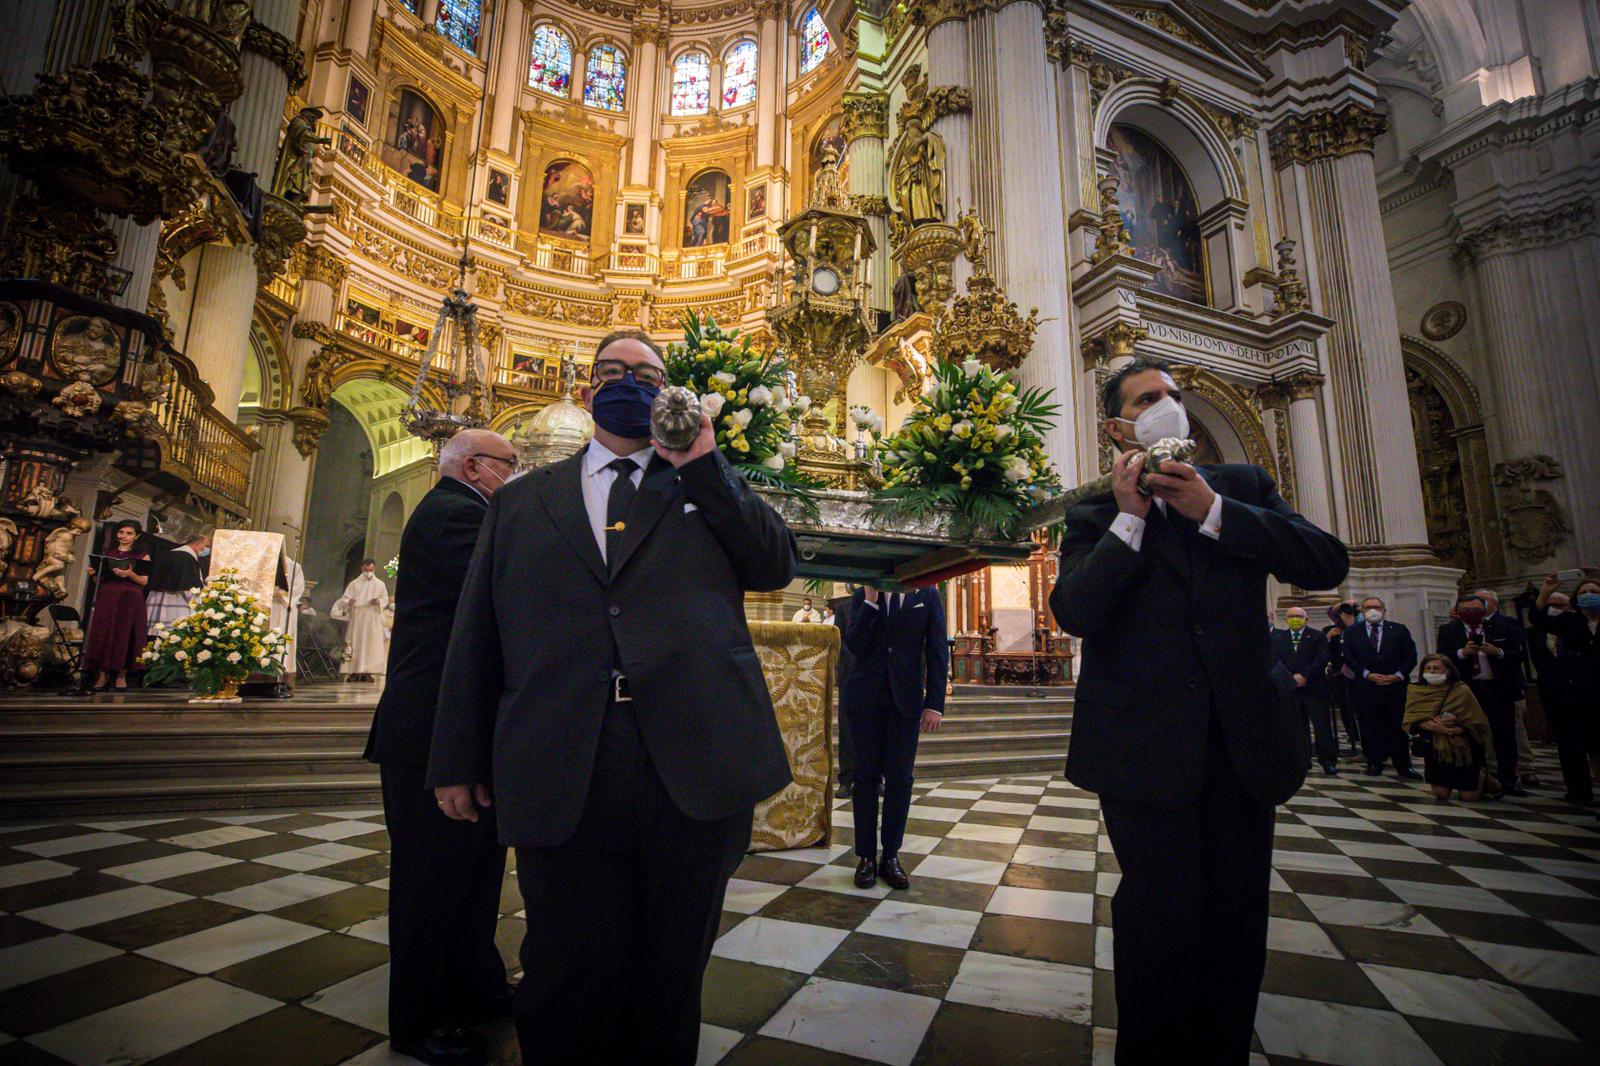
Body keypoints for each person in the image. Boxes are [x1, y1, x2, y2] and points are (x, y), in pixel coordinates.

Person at [427, 329, 796, 1065]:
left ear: (671, 394)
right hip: (563, 759)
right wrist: (457, 756)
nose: (629, 381)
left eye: (648, 374)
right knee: (565, 966)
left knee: (671, 970)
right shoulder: (523, 501)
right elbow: (478, 634)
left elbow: (774, 563)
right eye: (612, 371)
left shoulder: (706, 486)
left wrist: (703, 463)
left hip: (689, 763)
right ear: (588, 389)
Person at [1049, 357, 1348, 1063]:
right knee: (1160, 917)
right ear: (1119, 424)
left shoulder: (1239, 488)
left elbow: (1324, 562)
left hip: (1244, 740)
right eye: (1149, 398)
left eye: (1174, 395)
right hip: (1143, 746)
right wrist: (1129, 523)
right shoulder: (1093, 512)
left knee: (1238, 916)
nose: (1169, 406)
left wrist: (1211, 512)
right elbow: (1076, 612)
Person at [365, 429, 517, 1066]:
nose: (517, 475)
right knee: (431, 885)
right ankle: (419, 1021)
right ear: (477, 467)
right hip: (430, 730)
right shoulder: (456, 517)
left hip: (458, 729)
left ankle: (475, 989)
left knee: (473, 874)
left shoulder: (467, 511)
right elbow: (511, 590)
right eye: (512, 465)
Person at [842, 584, 949, 890]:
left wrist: (934, 704)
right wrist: (872, 603)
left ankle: (890, 856)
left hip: (906, 701)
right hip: (865, 700)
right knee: (864, 779)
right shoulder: (864, 594)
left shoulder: (926, 594)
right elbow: (855, 645)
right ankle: (865, 857)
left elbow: (937, 648)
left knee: (901, 779)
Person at [1437, 592, 1526, 796]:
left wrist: (1497, 652)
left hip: (1498, 688)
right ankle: (1476, 778)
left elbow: (1519, 653)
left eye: (1476, 610)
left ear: (1484, 609)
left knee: (1504, 736)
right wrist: (1462, 652)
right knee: (1470, 736)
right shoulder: (1449, 630)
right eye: (1466, 610)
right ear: (1458, 611)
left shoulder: (1504, 625)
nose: (1471, 614)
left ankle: (1507, 780)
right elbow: (1442, 656)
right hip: (1467, 691)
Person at [1533, 572, 1600, 805]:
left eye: (1594, 592)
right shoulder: (1572, 622)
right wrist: (1545, 591)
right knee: (1579, 744)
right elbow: (1539, 620)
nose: (1589, 596)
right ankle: (1581, 791)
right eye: (1584, 593)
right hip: (1577, 692)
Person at [1341, 595, 1422, 779]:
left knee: (1397, 726)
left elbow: (1410, 656)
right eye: (1368, 607)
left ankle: (1403, 764)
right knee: (1370, 725)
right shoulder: (1353, 632)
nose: (1373, 610)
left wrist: (1398, 675)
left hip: (1394, 686)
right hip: (1366, 686)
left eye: (1376, 607)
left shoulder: (1399, 630)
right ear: (1361, 611)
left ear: (1384, 610)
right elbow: (1349, 656)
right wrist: (1366, 673)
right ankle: (1374, 761)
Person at [1405, 653, 1492, 801]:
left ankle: (1483, 776)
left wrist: (1449, 730)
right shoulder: (1416, 691)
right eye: (1428, 668)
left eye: (1436, 668)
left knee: (1469, 797)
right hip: (1435, 747)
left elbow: (1477, 722)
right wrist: (1430, 726)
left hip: (1463, 748)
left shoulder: (1461, 690)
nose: (1432, 672)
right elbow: (1410, 720)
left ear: (1447, 671)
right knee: (1441, 794)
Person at [1479, 587, 1539, 786]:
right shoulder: (1468, 626)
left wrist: (1498, 652)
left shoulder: (1508, 623)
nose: (1478, 604)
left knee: (1515, 730)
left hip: (1506, 687)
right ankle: (1492, 770)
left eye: (1482, 600)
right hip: (1479, 688)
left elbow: (1519, 653)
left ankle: (1525, 768)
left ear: (1494, 603)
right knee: (1485, 731)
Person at [83, 520, 151, 691]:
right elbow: (99, 580)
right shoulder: (108, 553)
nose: (124, 536)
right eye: (121, 532)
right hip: (108, 596)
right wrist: (94, 573)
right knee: (104, 633)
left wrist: (130, 574)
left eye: (129, 533)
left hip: (130, 599)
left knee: (124, 634)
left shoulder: (142, 555)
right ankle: (102, 675)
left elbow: (143, 581)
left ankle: (121, 676)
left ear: (137, 536)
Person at [1272, 607, 1337, 774]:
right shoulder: (1280, 638)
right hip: (1292, 690)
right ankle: (1303, 759)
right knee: (1298, 728)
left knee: (1322, 726)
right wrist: (1289, 679)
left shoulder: (1317, 636)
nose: (1295, 619)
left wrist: (1304, 676)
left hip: (1314, 688)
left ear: (1306, 619)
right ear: (1286, 619)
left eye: (1299, 616)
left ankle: (1327, 760)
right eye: (1292, 616)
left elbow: (1322, 658)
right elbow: (1276, 661)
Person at [335, 559, 389, 681]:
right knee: (356, 643)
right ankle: (354, 671)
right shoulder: (354, 584)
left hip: (373, 618)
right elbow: (344, 599)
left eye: (371, 570)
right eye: (366, 570)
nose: (368, 572)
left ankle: (368, 671)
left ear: (374, 569)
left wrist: (378, 601)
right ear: (362, 568)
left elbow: (385, 599)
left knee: (371, 644)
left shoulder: (380, 584)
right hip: (358, 618)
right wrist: (349, 601)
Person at [145, 532, 209, 627]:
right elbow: (189, 585)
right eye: (207, 546)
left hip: (157, 599)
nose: (208, 550)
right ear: (198, 544)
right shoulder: (185, 558)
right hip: (175, 602)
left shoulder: (170, 553)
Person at [1323, 601, 1362, 754]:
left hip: (1359, 675)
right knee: (1345, 707)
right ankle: (1352, 735)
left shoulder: (1360, 630)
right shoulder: (1330, 630)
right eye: (1342, 612)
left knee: (1361, 707)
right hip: (1338, 675)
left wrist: (1351, 625)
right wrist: (1328, 637)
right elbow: (1321, 650)